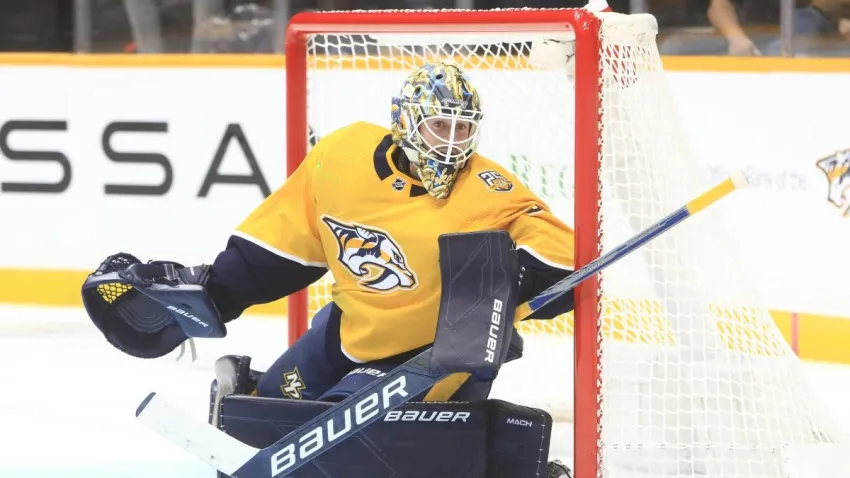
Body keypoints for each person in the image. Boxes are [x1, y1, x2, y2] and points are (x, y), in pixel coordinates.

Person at [82, 60, 577, 476]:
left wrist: (513, 279)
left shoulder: (491, 192)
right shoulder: (343, 156)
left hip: (428, 358)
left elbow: (561, 259)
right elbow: (286, 242)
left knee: (335, 437)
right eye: (439, 126)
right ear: (406, 122)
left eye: (462, 128)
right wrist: (216, 294)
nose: (451, 143)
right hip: (345, 332)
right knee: (267, 406)